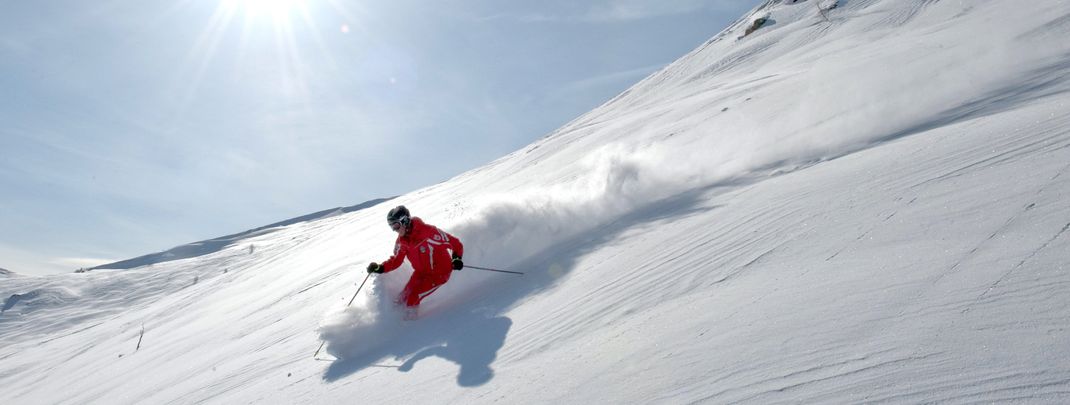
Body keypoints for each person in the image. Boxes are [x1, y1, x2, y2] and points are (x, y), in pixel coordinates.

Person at [367, 205, 464, 320]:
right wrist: (380, 268)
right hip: (421, 273)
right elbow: (396, 260)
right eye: (391, 226)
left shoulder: (428, 232)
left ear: (405, 221)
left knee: (413, 297)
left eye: (396, 225)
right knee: (401, 298)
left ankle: (410, 325)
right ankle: (393, 321)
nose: (394, 229)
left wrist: (456, 258)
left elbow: (454, 243)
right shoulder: (401, 241)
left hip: (439, 274)